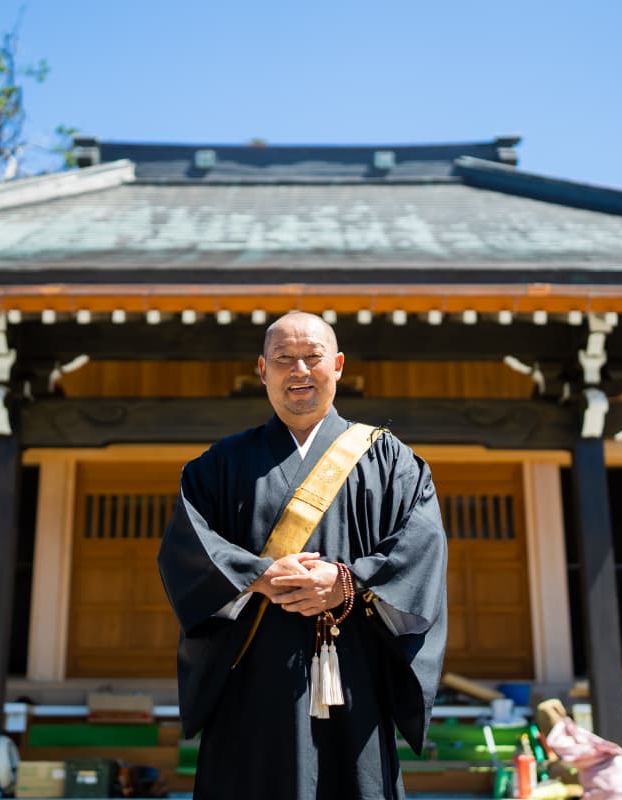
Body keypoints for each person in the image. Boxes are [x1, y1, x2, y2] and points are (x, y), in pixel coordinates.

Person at [157, 311, 449, 800]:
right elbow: (188, 546)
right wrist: (258, 575)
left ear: (336, 365)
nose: (299, 370)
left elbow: (421, 547)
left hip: (354, 672)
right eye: (283, 359)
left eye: (312, 358)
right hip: (251, 680)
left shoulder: (390, 459)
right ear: (262, 369)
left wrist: (347, 583)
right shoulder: (219, 464)